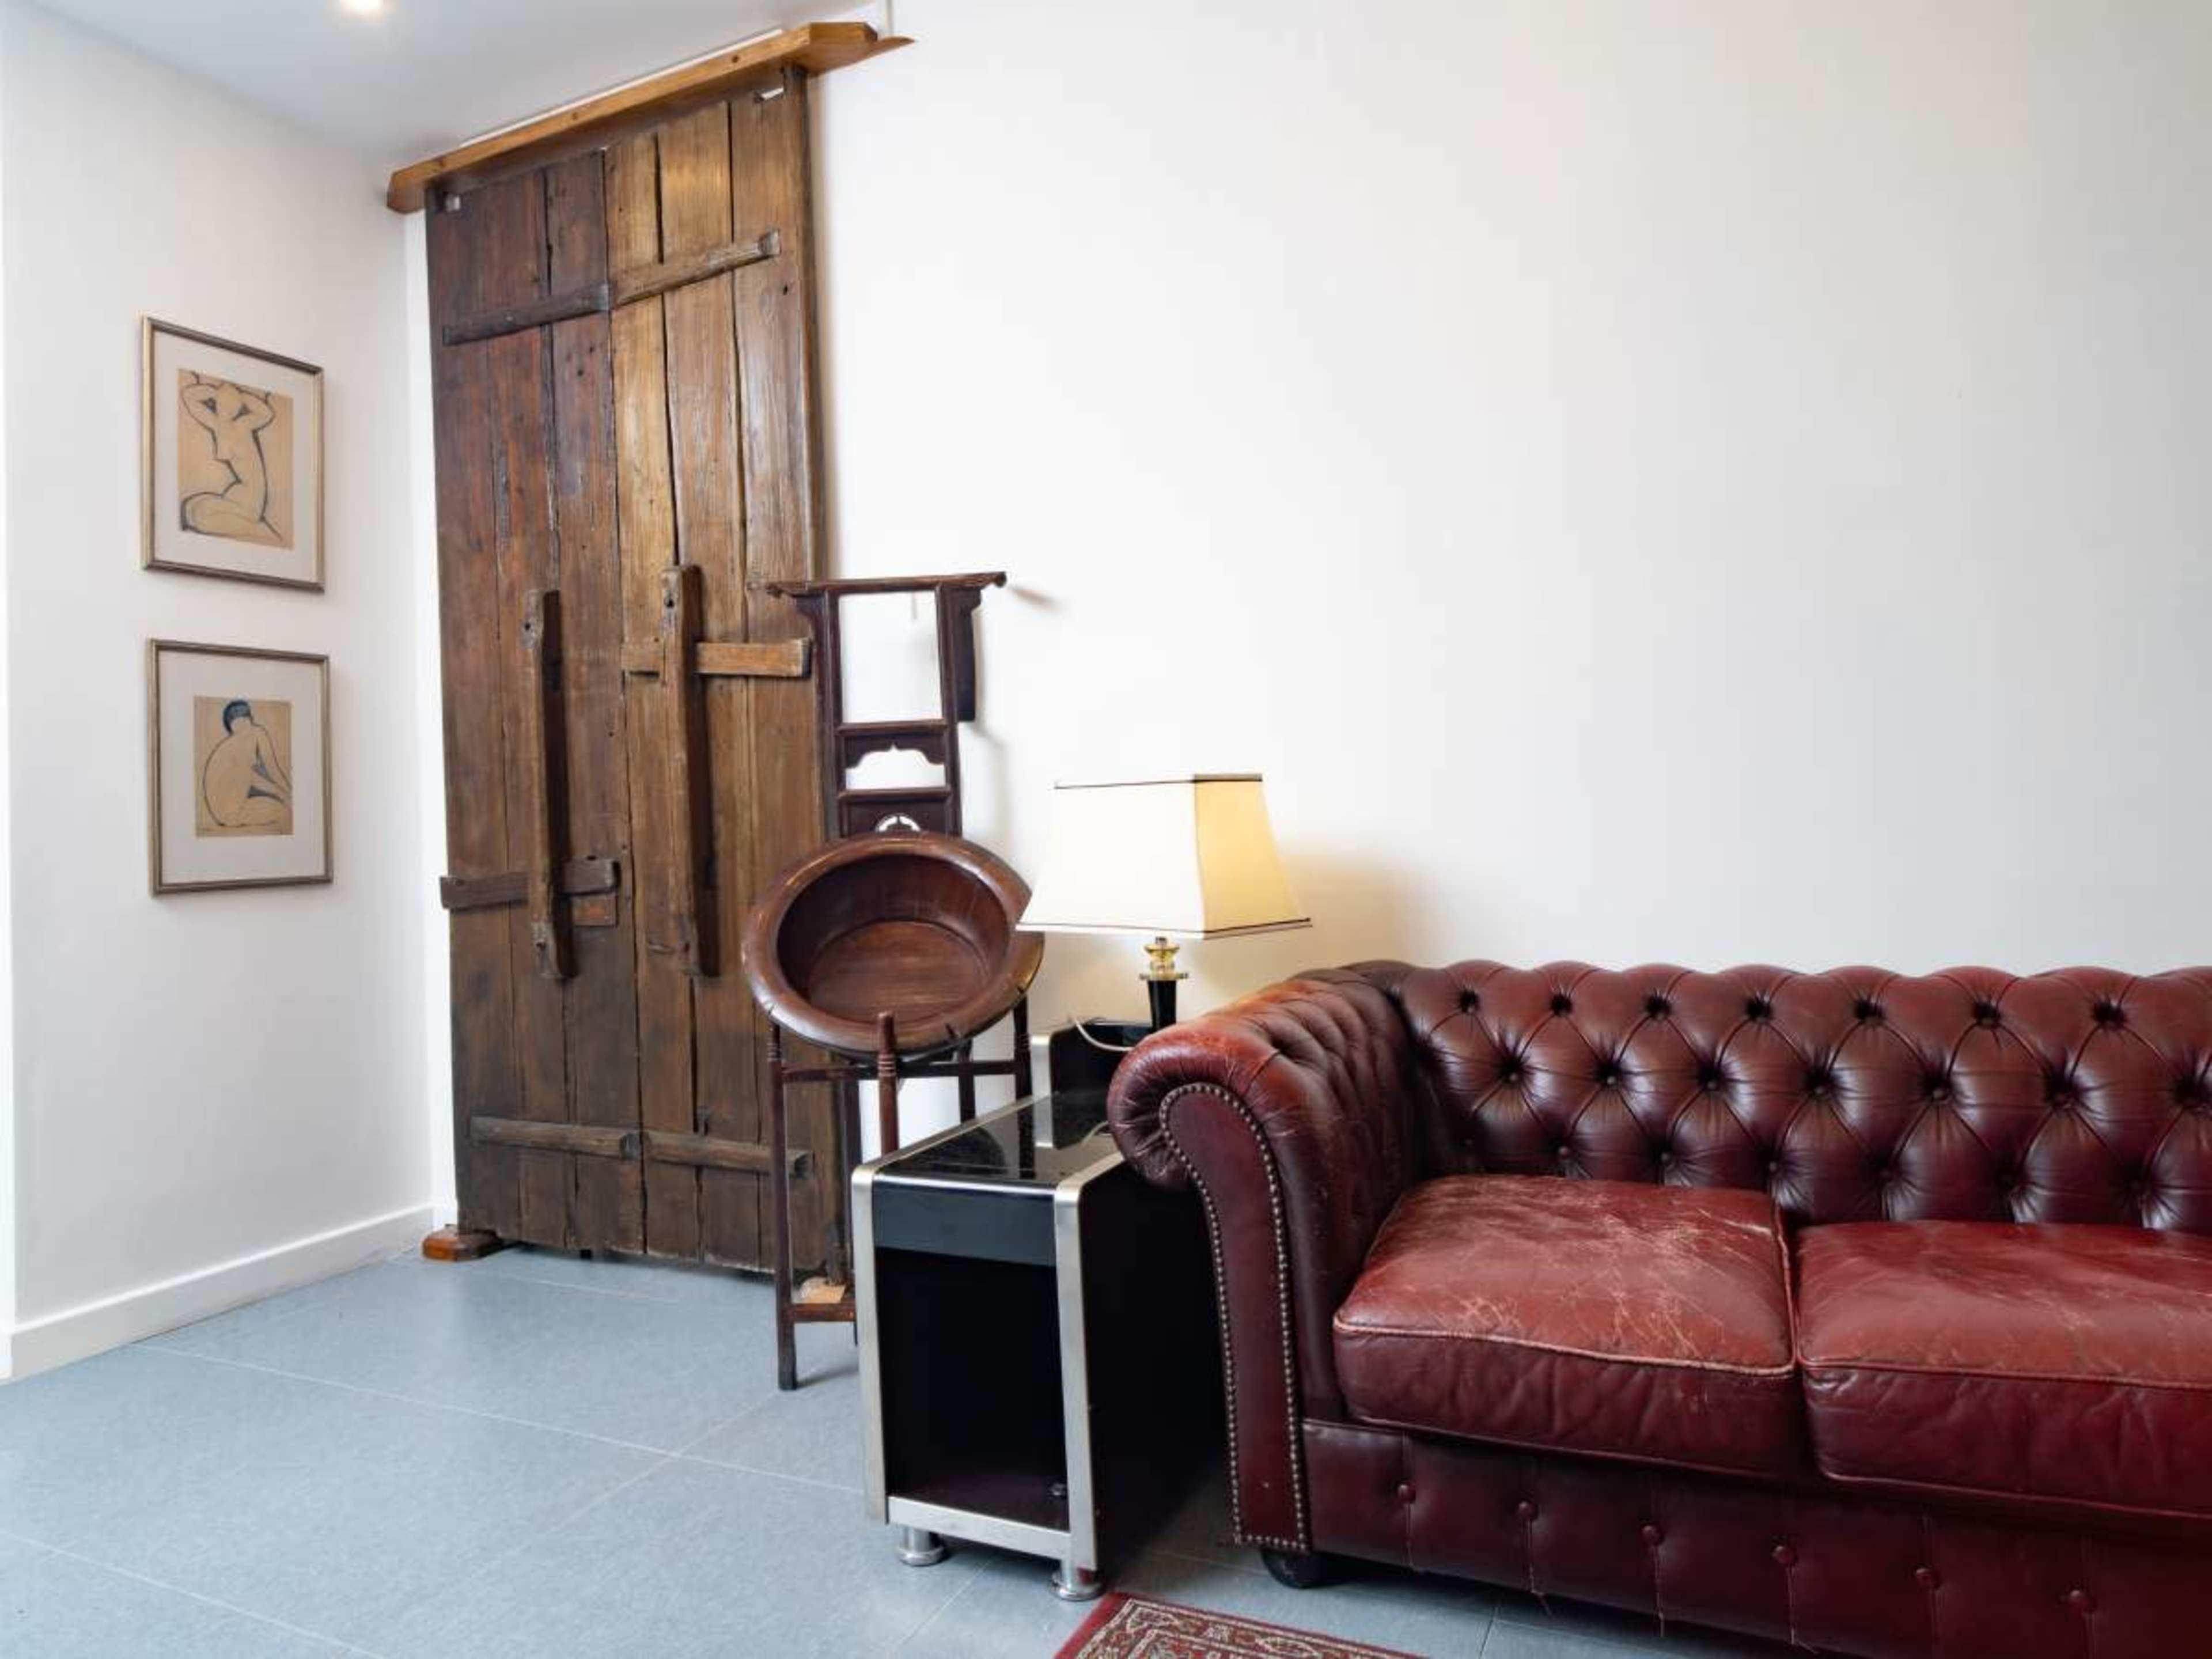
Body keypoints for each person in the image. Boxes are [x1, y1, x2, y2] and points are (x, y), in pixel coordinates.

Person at [179, 373, 283, 545]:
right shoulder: (217, 425)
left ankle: (258, 530)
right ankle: (250, 526)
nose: (225, 408)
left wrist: (242, 397)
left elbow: (267, 414)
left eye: (231, 404)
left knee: (201, 517)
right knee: (191, 509)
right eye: (222, 403)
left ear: (237, 406)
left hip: (252, 500)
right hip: (236, 495)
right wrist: (214, 392)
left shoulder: (243, 425)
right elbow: (189, 396)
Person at [201, 699, 291, 830]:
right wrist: (287, 794)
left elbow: (244, 775)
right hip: (235, 812)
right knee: (284, 811)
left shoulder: (228, 745)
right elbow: (273, 771)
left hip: (220, 815)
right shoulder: (256, 732)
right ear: (250, 718)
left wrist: (281, 794)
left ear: (230, 725)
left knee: (279, 806)